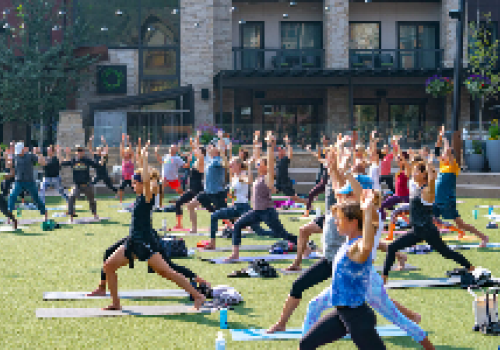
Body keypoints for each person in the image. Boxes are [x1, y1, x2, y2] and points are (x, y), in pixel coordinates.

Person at [100, 147, 205, 311]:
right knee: (108, 265)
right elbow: (143, 177)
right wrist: (141, 160)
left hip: (145, 242)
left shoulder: (148, 196)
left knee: (167, 272)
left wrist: (145, 158)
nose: (133, 185)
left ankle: (197, 295)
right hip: (133, 241)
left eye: (136, 183)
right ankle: (116, 303)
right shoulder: (141, 195)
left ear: (143, 183)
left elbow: (148, 181)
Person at [299, 193, 385, 350]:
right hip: (342, 314)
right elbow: (373, 224)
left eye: (339, 219)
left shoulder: (357, 247)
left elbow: (368, 242)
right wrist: (367, 208)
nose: (335, 222)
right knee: (306, 343)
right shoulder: (348, 243)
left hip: (357, 317)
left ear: (353, 222)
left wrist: (367, 210)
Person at [382, 155, 477, 284]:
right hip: (417, 230)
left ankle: (471, 268)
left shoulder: (428, 190)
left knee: (447, 253)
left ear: (423, 175)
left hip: (427, 230)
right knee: (392, 247)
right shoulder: (417, 188)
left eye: (416, 171)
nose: (413, 173)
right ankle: (384, 278)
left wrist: (427, 163)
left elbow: (432, 177)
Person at [226, 133, 297, 261]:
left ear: (265, 166)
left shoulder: (268, 177)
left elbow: (269, 161)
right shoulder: (259, 177)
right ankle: (235, 254)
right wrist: (256, 142)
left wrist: (270, 146)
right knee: (237, 225)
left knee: (282, 234)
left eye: (259, 164)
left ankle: (306, 247)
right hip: (256, 211)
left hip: (268, 212)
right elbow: (257, 157)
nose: (257, 164)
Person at [433, 126, 489, 247]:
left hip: (448, 201)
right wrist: (440, 137)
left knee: (461, 224)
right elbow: (437, 150)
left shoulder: (453, 167)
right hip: (437, 200)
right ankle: (435, 240)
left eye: (445, 154)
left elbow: (447, 150)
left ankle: (484, 237)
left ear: (450, 156)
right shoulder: (443, 165)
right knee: (431, 219)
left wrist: (445, 138)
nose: (442, 155)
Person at [204, 157, 272, 250]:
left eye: (232, 164)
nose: (230, 166)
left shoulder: (242, 176)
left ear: (239, 165)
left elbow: (249, 181)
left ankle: (283, 235)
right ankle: (212, 243)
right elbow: (233, 194)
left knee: (260, 231)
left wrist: (248, 166)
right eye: (230, 165)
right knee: (214, 216)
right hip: (236, 207)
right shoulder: (234, 177)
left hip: (244, 208)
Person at [186, 137, 229, 233]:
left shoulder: (218, 160)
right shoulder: (209, 159)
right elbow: (199, 152)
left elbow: (226, 165)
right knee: (190, 206)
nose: (209, 148)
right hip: (207, 192)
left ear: (216, 150)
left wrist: (221, 149)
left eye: (211, 147)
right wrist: (196, 142)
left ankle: (246, 224)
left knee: (228, 215)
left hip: (217, 193)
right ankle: (194, 228)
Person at [8, 142, 48, 221]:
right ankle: (9, 216)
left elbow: (43, 163)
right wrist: (9, 165)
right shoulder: (15, 157)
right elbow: (11, 168)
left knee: (36, 198)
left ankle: (44, 213)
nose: (18, 153)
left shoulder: (30, 155)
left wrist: (39, 154)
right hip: (18, 181)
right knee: (12, 196)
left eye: (19, 151)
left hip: (30, 182)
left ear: (23, 149)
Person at [60, 145, 100, 223]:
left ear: (83, 152)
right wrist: (66, 154)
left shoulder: (86, 160)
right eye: (78, 151)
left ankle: (95, 214)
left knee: (91, 200)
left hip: (87, 184)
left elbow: (97, 165)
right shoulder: (73, 160)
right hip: (77, 185)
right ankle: (71, 217)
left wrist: (102, 158)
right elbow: (63, 163)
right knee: (71, 197)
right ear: (76, 152)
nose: (79, 152)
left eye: (81, 151)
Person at [172, 144, 205, 230]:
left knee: (211, 209)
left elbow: (201, 155)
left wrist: (196, 144)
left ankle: (229, 223)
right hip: (191, 190)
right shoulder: (196, 161)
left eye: (197, 151)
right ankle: (179, 224)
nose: (195, 152)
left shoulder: (201, 162)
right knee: (178, 203)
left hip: (199, 190)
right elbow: (193, 153)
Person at [274, 135, 306, 205]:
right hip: (278, 182)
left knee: (294, 198)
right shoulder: (276, 160)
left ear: (284, 152)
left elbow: (290, 154)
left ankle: (307, 203)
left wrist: (288, 143)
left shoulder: (285, 159)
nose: (279, 151)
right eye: (278, 150)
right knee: (270, 191)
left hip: (285, 182)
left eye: (281, 150)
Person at [302, 136, 330, 218]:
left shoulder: (333, 162)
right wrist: (313, 150)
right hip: (323, 182)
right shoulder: (325, 160)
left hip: (331, 184)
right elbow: (319, 158)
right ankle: (307, 212)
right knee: (311, 194)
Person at [118, 134, 135, 204]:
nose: (126, 154)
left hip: (131, 178)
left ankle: (139, 199)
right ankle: (121, 201)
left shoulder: (132, 159)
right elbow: (121, 149)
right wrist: (122, 140)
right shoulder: (123, 159)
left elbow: (131, 150)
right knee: (121, 188)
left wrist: (128, 141)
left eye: (127, 153)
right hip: (124, 177)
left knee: (135, 189)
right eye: (125, 153)